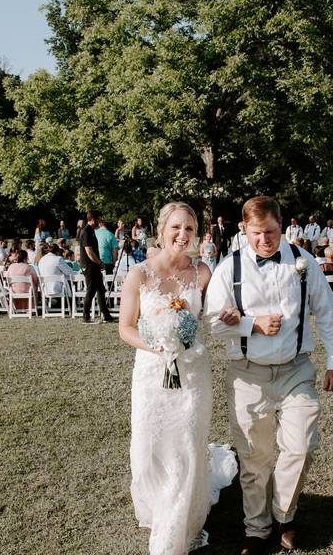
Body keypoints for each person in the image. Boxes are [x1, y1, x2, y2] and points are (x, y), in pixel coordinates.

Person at [205, 196, 333, 554]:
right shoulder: (229, 267)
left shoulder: (303, 262)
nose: (264, 240)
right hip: (246, 375)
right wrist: (251, 325)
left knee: (300, 447)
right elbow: (210, 322)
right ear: (243, 230)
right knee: (255, 457)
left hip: (296, 370)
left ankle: (285, 516)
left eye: (270, 231)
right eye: (256, 233)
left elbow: (327, 313)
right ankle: (257, 529)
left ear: (281, 225)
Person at [118, 202, 238, 555]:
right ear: (161, 229)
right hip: (152, 372)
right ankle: (156, 504)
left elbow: (214, 315)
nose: (183, 235)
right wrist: (157, 345)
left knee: (186, 444)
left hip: (192, 374)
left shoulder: (203, 272)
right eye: (176, 227)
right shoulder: (139, 274)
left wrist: (228, 315)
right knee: (148, 448)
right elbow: (125, 328)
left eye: (189, 228)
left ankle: (179, 519)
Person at [80, 210, 115, 324]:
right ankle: (86, 316)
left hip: (94, 265)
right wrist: (100, 262)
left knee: (101, 289)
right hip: (89, 266)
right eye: (99, 219)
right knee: (91, 291)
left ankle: (106, 315)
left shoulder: (91, 231)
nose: (100, 221)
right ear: (93, 219)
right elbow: (89, 251)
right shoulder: (86, 231)